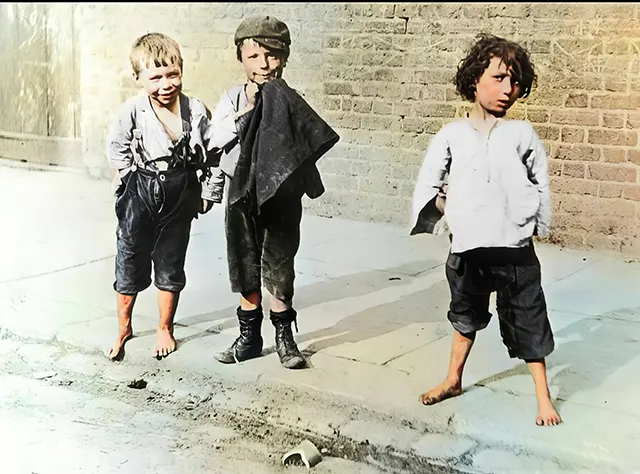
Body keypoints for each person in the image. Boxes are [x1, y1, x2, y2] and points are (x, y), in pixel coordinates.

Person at [410, 34, 561, 426]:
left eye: (514, 82)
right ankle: (453, 379)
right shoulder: (452, 135)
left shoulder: (521, 134)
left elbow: (541, 182)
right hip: (469, 247)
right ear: (474, 80)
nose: (506, 89)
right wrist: (447, 210)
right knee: (465, 316)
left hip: (514, 249)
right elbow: (429, 182)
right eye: (497, 78)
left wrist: (537, 224)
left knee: (528, 318)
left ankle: (543, 397)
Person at [204, 15, 339, 369]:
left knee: (280, 262)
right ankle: (249, 337)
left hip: (281, 193)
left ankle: (284, 336)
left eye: (272, 55)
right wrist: (245, 115)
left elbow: (308, 139)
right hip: (240, 191)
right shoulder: (232, 98)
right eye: (254, 56)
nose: (264, 64)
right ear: (240, 58)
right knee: (243, 260)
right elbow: (214, 139)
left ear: (284, 58)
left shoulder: (291, 100)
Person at [106, 32, 232, 361]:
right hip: (141, 189)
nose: (166, 84)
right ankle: (124, 326)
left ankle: (165, 326)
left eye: (172, 74)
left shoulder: (194, 110)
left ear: (182, 71)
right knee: (130, 257)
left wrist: (209, 193)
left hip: (179, 192)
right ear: (139, 78)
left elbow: (215, 153)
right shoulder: (133, 110)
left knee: (171, 261)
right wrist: (126, 187)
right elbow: (117, 149)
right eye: (155, 77)